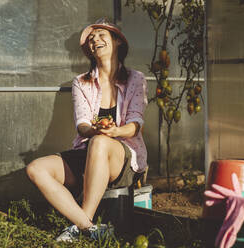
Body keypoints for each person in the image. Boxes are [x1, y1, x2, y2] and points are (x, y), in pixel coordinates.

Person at [26, 17, 148, 242]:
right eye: (91, 39)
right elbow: (82, 125)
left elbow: (135, 124)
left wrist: (114, 132)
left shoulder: (135, 79)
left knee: (101, 142)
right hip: (89, 149)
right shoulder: (81, 82)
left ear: (117, 41)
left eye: (102, 35)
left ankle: (80, 223)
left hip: (124, 158)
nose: (95, 40)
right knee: (36, 169)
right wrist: (94, 131)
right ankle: (88, 227)